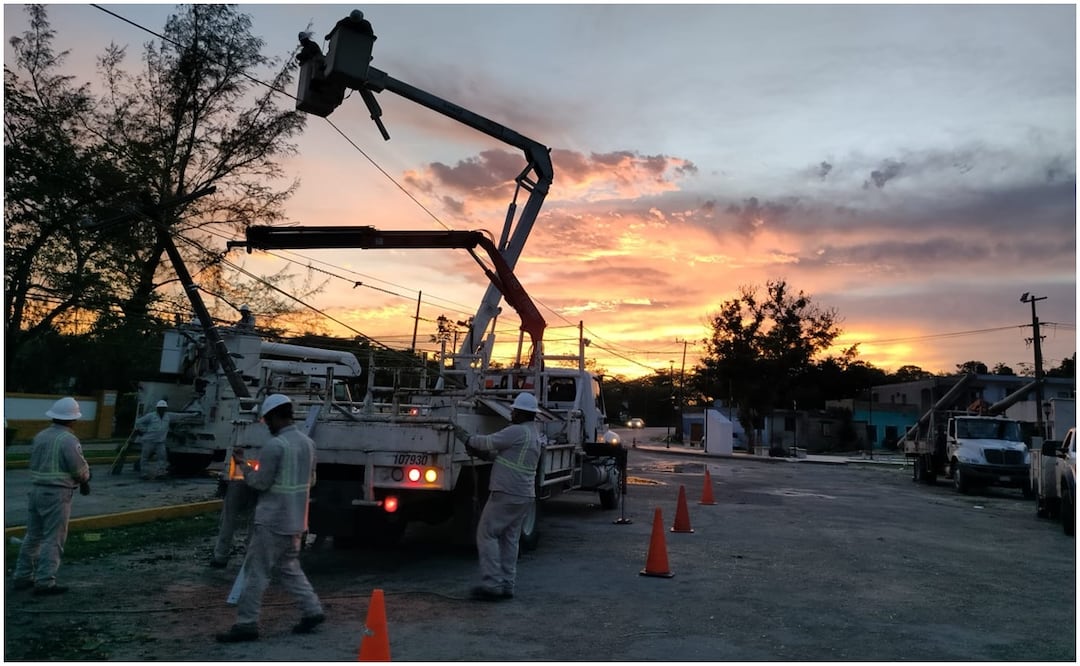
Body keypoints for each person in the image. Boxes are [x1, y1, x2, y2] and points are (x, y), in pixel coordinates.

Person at [216, 394, 324, 642]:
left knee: (257, 572)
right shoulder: (308, 443)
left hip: (272, 521)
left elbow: (259, 483)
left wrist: (243, 465)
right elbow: (312, 480)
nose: (266, 425)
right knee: (290, 567)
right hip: (297, 520)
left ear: (275, 416)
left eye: (267, 420)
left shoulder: (275, 447)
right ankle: (312, 609)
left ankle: (246, 624)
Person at [453, 392, 542, 601]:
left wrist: (466, 437)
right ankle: (507, 585)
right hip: (523, 494)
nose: (511, 413)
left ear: (522, 413)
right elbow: (509, 458)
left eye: (514, 410)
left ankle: (492, 584)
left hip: (507, 492)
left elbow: (487, 442)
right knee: (510, 539)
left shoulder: (516, 431)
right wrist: (487, 456)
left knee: (487, 534)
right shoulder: (533, 434)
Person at [11, 397, 92, 595]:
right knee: (53, 539)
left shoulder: (41, 436)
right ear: (72, 419)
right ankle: (45, 581)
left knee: (33, 536)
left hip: (37, 490)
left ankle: (22, 576)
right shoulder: (68, 440)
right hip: (56, 494)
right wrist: (85, 480)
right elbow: (78, 469)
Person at [209, 439, 259, 569]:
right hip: (256, 480)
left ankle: (220, 556)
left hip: (238, 478)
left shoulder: (242, 433)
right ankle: (249, 557)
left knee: (228, 519)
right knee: (255, 521)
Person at [134, 399, 171, 480]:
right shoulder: (151, 416)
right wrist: (144, 430)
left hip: (160, 442)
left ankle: (160, 473)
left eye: (163, 408)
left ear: (165, 408)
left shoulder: (168, 416)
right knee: (145, 457)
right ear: (157, 408)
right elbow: (139, 422)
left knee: (162, 457)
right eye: (160, 408)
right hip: (149, 441)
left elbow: (180, 416)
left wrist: (193, 414)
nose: (162, 409)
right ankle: (144, 474)